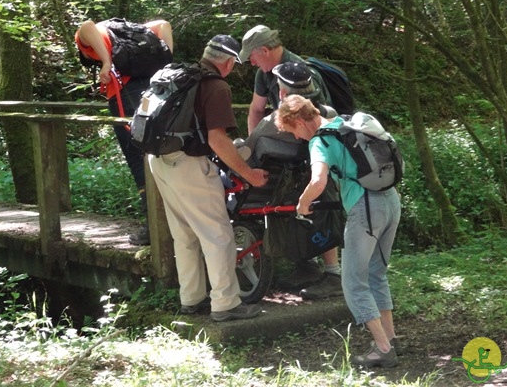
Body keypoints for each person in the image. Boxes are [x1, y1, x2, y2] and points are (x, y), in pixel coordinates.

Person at [148, 34, 268, 322]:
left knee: (184, 234)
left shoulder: (179, 75)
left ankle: (191, 299)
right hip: (188, 164)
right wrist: (248, 173)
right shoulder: (214, 86)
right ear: (227, 62)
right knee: (218, 235)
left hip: (158, 160)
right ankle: (225, 304)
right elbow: (217, 139)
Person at [274, 95, 401, 368]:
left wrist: (303, 203)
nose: (295, 137)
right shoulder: (345, 123)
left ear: (298, 121)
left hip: (366, 210)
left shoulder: (320, 140)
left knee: (353, 282)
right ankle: (391, 339)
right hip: (391, 201)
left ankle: (382, 348)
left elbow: (318, 180)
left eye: (292, 130)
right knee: (376, 273)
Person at [243, 61, 342, 299]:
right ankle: (324, 269)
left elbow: (248, 153)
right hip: (319, 183)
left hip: (280, 186)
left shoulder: (273, 123)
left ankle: (324, 271)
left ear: (282, 93)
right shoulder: (328, 115)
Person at [75, 18, 174, 245]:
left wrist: (107, 62)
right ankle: (172, 222)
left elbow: (86, 26)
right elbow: (164, 25)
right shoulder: (135, 32)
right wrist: (167, 64)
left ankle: (153, 228)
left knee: (139, 160)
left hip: (126, 96)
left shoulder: (95, 36)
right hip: (157, 93)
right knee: (164, 154)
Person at [239, 25, 332, 133]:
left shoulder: (302, 74)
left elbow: (319, 118)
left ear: (265, 51)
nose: (252, 63)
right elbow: (256, 110)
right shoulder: (263, 74)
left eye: (251, 56)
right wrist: (252, 144)